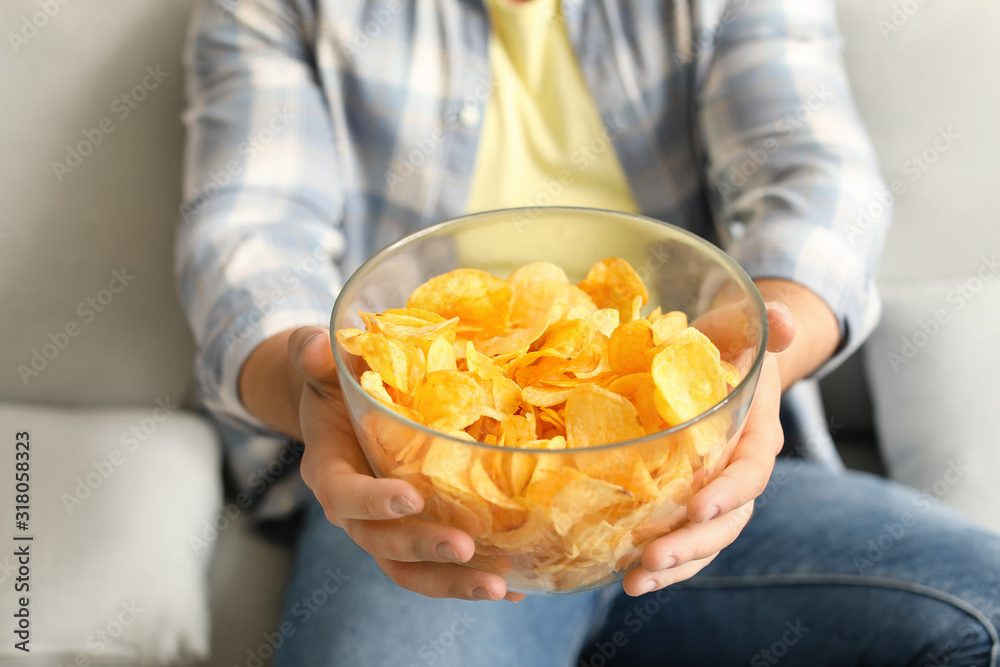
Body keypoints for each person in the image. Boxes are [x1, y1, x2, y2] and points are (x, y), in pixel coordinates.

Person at [175, 0, 1000, 664]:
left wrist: (762, 353)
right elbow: (249, 235)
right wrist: (310, 383)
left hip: (702, 469)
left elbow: (815, 178)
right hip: (440, 511)